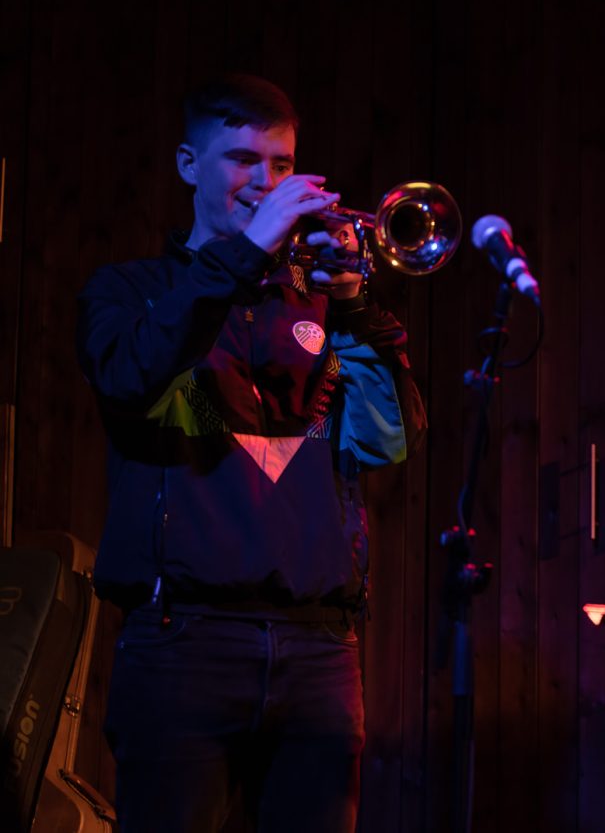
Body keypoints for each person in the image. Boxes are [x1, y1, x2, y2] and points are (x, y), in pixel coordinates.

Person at [76, 73, 426, 832]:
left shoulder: (321, 305)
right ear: (187, 164)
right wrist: (246, 251)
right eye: (241, 160)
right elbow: (133, 376)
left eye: (281, 163)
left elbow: (387, 439)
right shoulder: (133, 292)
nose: (265, 183)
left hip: (319, 649)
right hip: (184, 647)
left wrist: (357, 305)